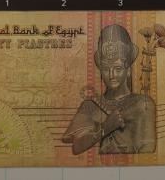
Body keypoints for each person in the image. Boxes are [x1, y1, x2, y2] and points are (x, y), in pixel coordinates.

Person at [62, 24, 157, 155]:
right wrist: (105, 128)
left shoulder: (143, 104)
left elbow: (147, 152)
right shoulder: (90, 105)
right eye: (106, 69)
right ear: (101, 72)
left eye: (118, 68)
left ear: (128, 70)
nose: (112, 75)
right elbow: (77, 147)